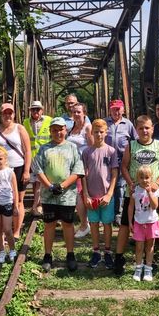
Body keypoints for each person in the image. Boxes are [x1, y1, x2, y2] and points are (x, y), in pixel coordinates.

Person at [114, 115, 159, 276]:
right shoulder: (131, 146)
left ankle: (150, 261)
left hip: (152, 193)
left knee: (152, 224)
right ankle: (119, 257)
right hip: (132, 192)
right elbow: (124, 166)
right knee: (125, 224)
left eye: (147, 128)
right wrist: (130, 182)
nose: (144, 131)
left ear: (152, 129)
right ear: (136, 130)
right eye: (141, 128)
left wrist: (157, 184)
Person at [32, 117, 85, 273]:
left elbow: (78, 170)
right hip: (48, 194)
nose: (58, 132)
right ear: (50, 131)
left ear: (65, 130)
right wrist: (50, 186)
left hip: (67, 194)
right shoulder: (44, 149)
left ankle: (70, 254)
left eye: (60, 129)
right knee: (49, 224)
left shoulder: (72, 148)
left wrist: (62, 186)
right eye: (54, 130)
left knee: (68, 224)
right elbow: (38, 169)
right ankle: (47, 256)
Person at [0, 103, 31, 239]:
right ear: (1, 115)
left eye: (10, 113)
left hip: (18, 167)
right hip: (0, 171)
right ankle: (4, 231)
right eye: (5, 113)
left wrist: (26, 171)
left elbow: (28, 151)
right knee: (2, 199)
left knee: (18, 200)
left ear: (13, 114)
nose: (8, 115)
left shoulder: (20, 128)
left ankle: (16, 231)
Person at [82, 119, 118, 269]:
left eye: (101, 132)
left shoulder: (111, 151)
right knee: (94, 223)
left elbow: (115, 173)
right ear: (91, 133)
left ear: (106, 133)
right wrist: (85, 195)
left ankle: (108, 251)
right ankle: (96, 251)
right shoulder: (87, 152)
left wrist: (109, 194)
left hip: (106, 195)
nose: (98, 134)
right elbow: (83, 174)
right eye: (95, 132)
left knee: (107, 223)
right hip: (91, 195)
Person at [104, 99, 138, 225]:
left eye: (118, 109)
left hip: (122, 161)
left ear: (123, 110)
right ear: (110, 110)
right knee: (106, 186)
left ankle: (118, 214)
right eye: (113, 109)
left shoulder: (128, 124)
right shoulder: (104, 122)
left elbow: (135, 140)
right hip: (106, 161)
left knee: (120, 188)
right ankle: (106, 212)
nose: (116, 111)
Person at [129, 165, 159, 282]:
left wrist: (149, 193)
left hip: (151, 222)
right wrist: (130, 222)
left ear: (151, 178)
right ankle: (138, 268)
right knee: (139, 247)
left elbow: (154, 206)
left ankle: (148, 268)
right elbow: (131, 207)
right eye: (141, 177)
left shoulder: (154, 190)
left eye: (147, 177)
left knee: (150, 246)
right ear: (137, 178)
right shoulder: (135, 190)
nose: (144, 180)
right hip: (138, 221)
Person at [66, 102, 93, 238]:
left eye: (78, 112)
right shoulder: (71, 128)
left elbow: (93, 148)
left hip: (83, 167)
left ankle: (84, 225)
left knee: (80, 196)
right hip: (72, 167)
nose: (76, 114)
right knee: (78, 196)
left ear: (84, 113)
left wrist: (89, 166)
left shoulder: (87, 128)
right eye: (74, 112)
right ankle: (86, 223)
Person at [23, 100, 52, 216]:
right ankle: (38, 205)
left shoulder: (49, 120)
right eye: (33, 109)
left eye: (38, 109)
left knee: (42, 181)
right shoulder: (25, 122)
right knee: (35, 182)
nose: (35, 111)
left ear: (42, 110)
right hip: (31, 157)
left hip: (45, 156)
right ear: (30, 110)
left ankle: (38, 205)